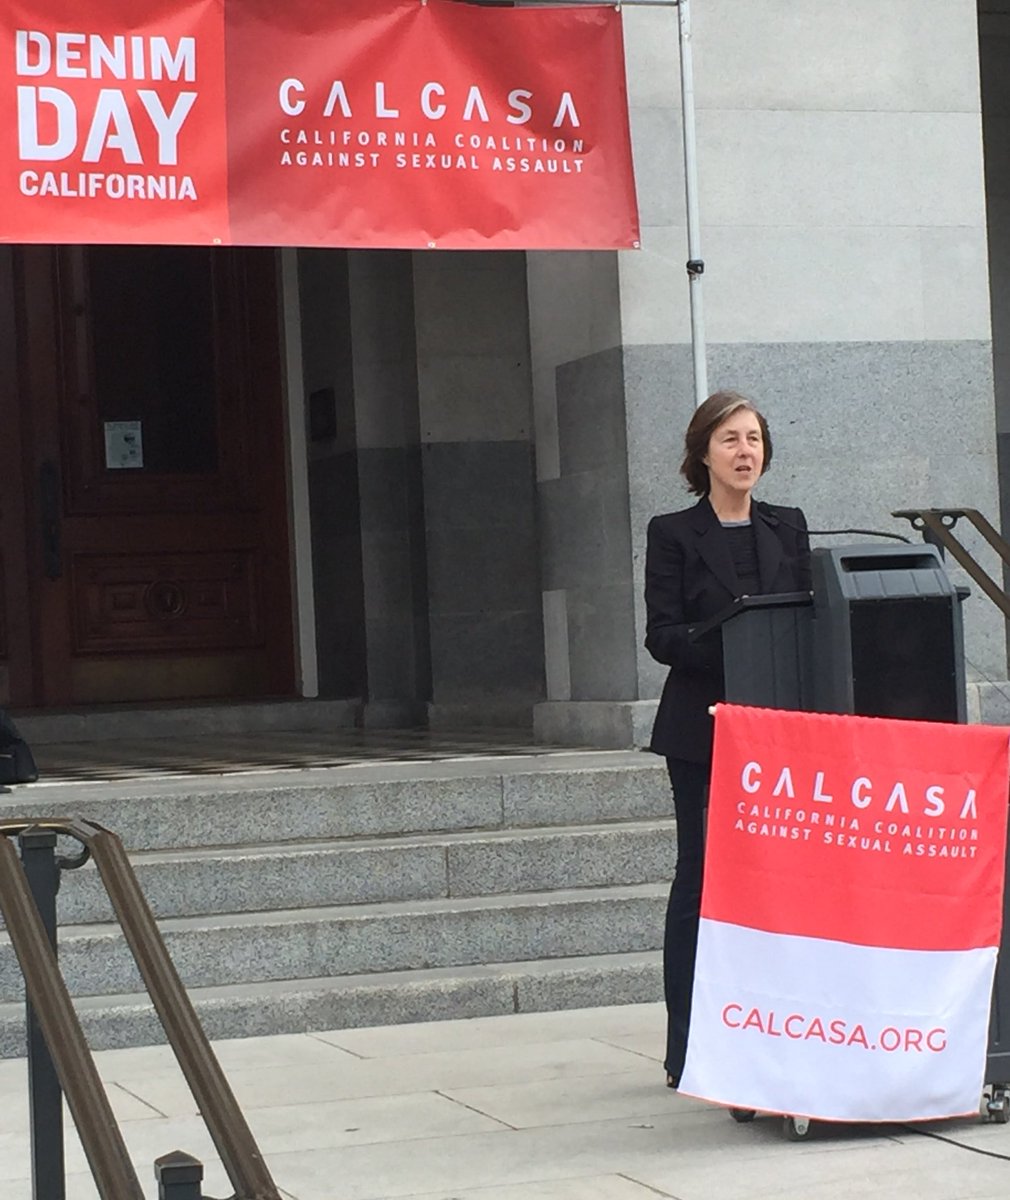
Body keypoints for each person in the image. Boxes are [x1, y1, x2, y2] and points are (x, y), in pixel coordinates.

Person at [644, 390, 811, 1089]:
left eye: (754, 439)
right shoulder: (674, 533)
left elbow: (806, 616)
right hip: (704, 733)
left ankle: (777, 1032)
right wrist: (738, 648)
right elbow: (663, 636)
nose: (745, 452)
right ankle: (686, 1048)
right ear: (702, 454)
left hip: (780, 735)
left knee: (782, 887)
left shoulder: (789, 526)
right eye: (730, 440)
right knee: (701, 881)